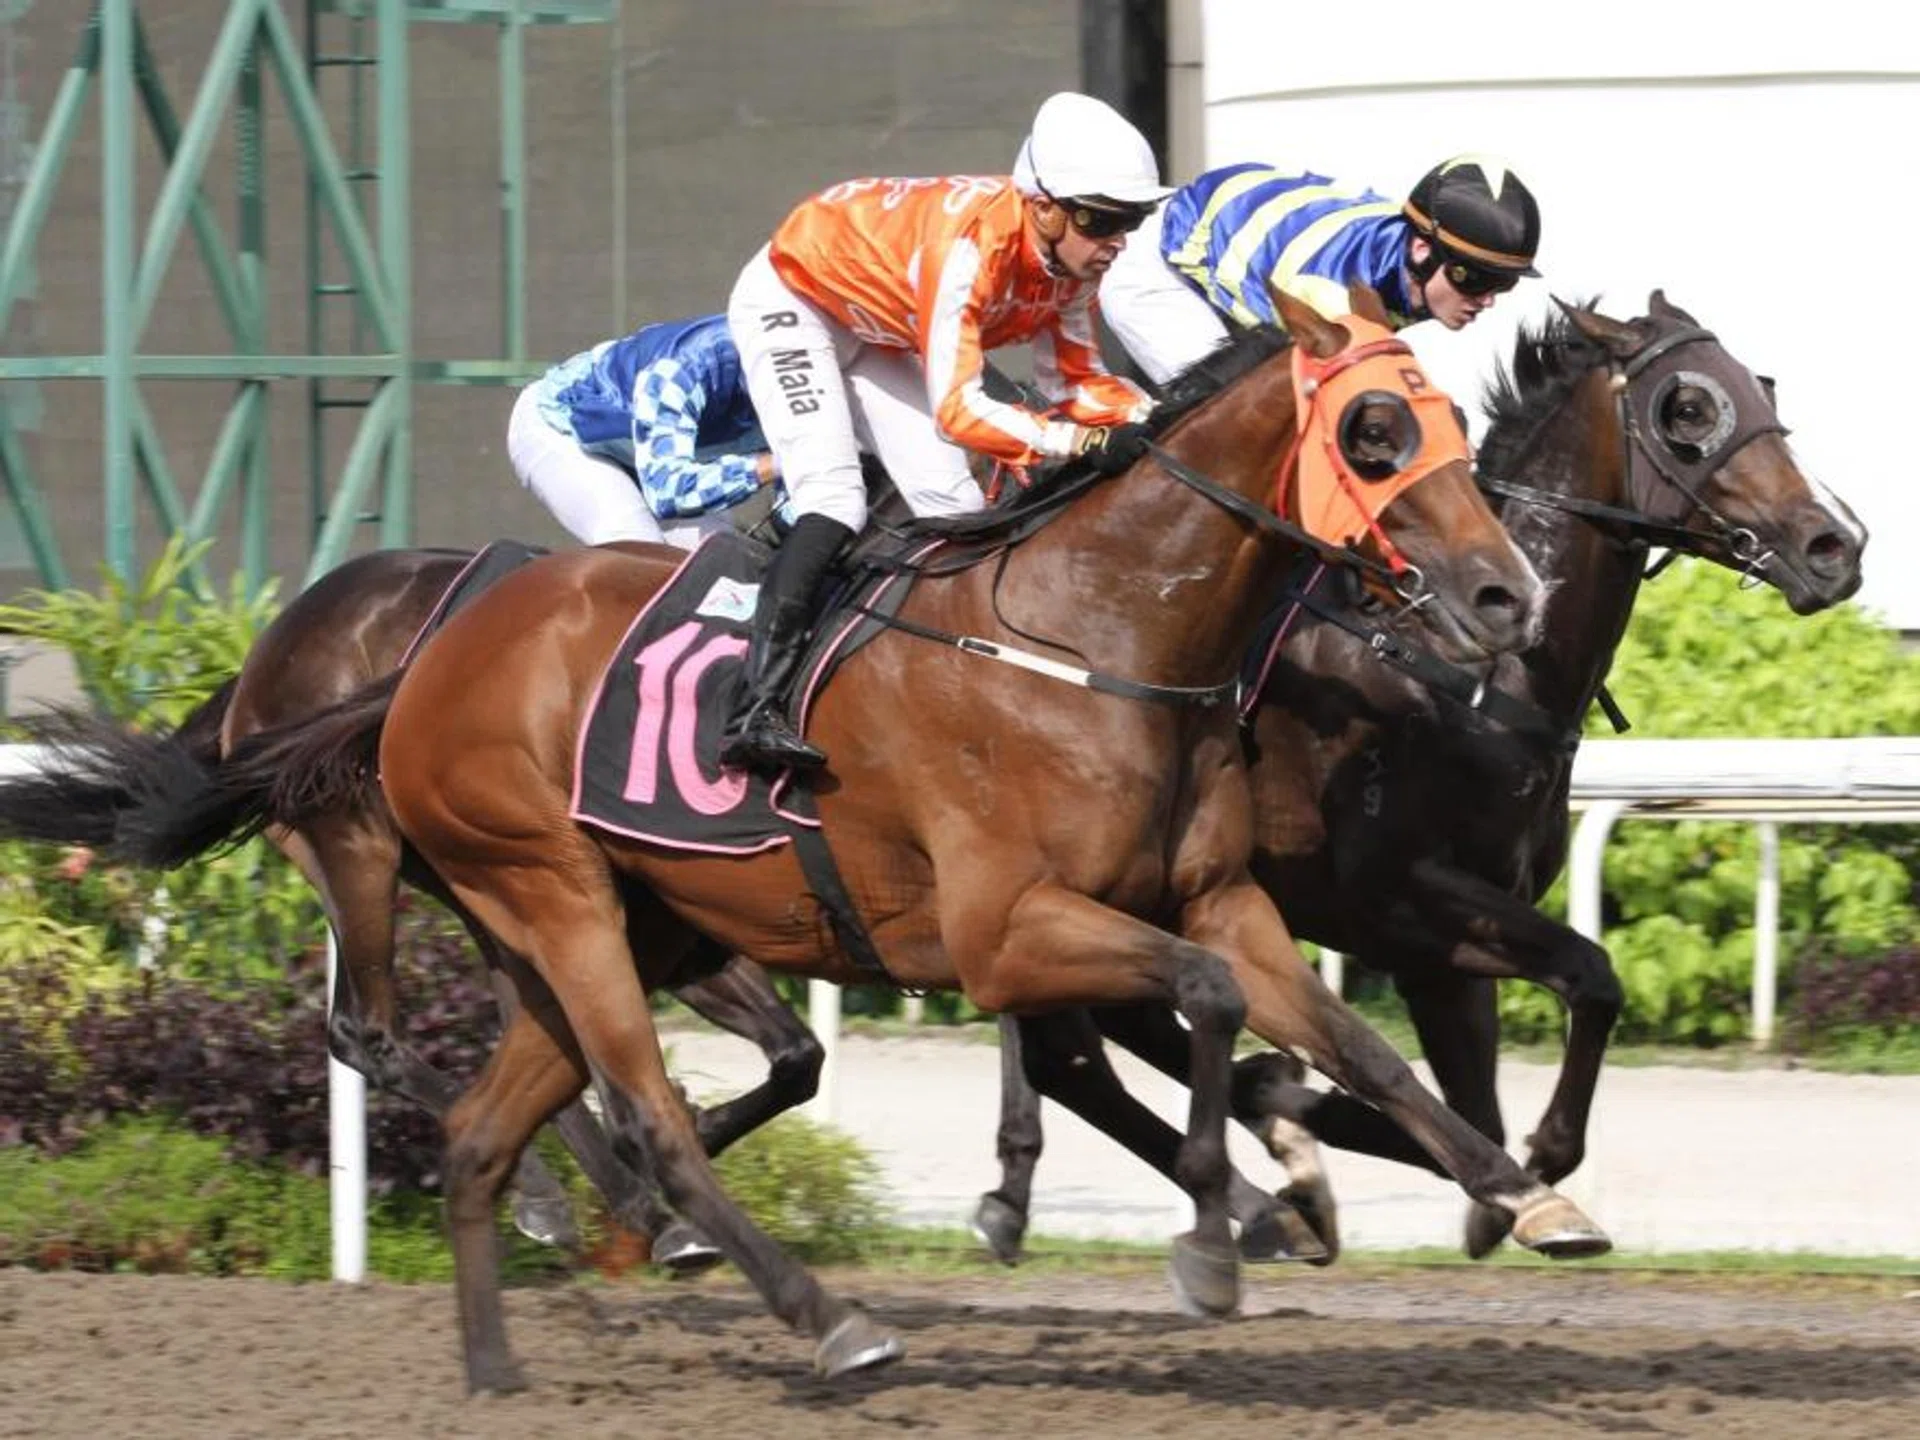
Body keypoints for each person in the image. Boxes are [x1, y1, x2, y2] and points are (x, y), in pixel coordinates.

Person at [720, 91, 1172, 774]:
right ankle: (753, 707)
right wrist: (1077, 444)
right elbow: (959, 409)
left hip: (881, 323)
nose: (1118, 240)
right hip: (797, 302)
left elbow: (1073, 383)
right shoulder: (972, 248)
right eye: (1103, 219)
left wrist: (1162, 420)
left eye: (1132, 219)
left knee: (958, 511)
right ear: (1043, 206)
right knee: (833, 495)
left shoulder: (1072, 267)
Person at [1100, 154, 1542, 386]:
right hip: (1156, 269)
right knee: (1234, 418)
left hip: (1219, 228)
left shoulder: (1405, 249)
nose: (1486, 300)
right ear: (1422, 249)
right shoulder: (1331, 296)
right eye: (1476, 279)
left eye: (1502, 283)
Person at [507, 312, 780, 548]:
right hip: (565, 429)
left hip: (654, 455)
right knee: (636, 541)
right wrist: (776, 463)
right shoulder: (686, 364)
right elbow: (669, 492)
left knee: (729, 558)